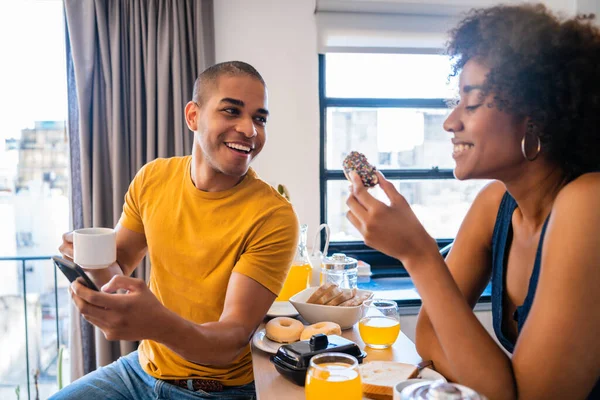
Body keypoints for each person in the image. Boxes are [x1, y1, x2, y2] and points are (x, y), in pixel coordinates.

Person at [345, 5, 600, 399]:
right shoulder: (495, 204)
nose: (450, 122)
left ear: (534, 115)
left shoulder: (589, 203)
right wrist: (497, 385)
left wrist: (419, 254)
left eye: (472, 102)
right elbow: (430, 335)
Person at [51, 61, 299, 400]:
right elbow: (116, 268)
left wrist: (155, 323)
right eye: (231, 111)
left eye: (259, 118)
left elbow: (230, 339)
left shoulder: (273, 216)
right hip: (140, 371)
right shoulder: (153, 178)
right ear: (193, 116)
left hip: (218, 390)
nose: (249, 129)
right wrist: (87, 260)